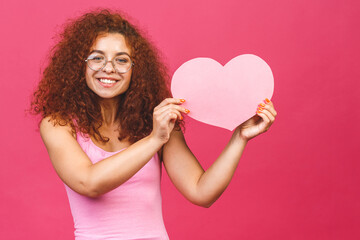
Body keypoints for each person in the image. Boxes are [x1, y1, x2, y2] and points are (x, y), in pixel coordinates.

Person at [31, 9, 277, 240]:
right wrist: (154, 139)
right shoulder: (58, 125)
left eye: (122, 60)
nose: (108, 68)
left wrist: (240, 137)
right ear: (79, 65)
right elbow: (89, 182)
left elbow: (202, 192)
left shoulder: (157, 122)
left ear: (135, 69)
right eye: (97, 57)